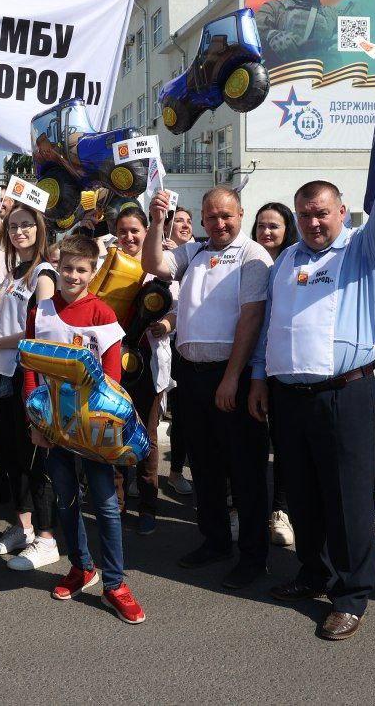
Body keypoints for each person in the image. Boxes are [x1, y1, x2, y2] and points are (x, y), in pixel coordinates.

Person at [248, 104, 375, 642]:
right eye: (305, 214)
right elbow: (274, 324)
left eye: (322, 212)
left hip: (346, 392)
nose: (314, 222)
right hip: (288, 393)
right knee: (302, 492)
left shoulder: (366, 249)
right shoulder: (285, 260)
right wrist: (258, 378)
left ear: (343, 212)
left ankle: (352, 592)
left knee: (346, 495)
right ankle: (314, 572)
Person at [141, 185, 273, 591]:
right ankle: (215, 541)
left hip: (229, 375)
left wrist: (233, 377)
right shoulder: (194, 251)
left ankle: (253, 556)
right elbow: (155, 263)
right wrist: (157, 220)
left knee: (245, 471)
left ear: (240, 215)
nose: (219, 224)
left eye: (226, 217)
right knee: (206, 466)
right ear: (201, 218)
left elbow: (250, 320)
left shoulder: (254, 255)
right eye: (211, 217)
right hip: (192, 375)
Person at [23, 234, 146, 623]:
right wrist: (34, 421)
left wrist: (101, 427)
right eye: (67, 268)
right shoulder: (40, 309)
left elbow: (112, 377)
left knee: (107, 504)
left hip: (92, 429)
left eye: (81, 270)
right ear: (56, 267)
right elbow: (30, 367)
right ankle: (81, 567)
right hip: (54, 425)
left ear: (92, 274)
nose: (72, 276)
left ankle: (115, 583)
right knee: (65, 498)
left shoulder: (102, 314)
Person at [0, 204, 58, 568]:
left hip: (29, 377)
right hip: (4, 376)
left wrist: (0, 343)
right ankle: (22, 526)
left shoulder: (43, 273)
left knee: (35, 456)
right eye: (13, 226)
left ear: (38, 228)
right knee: (11, 456)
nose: (18, 231)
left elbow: (40, 332)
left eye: (25, 225)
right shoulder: (11, 274)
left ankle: (46, 537)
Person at [107, 206, 169, 535]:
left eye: (135, 231)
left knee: (146, 434)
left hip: (148, 365)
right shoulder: (110, 267)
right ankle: (117, 503)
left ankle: (148, 505)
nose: (129, 237)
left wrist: (165, 324)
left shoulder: (162, 268)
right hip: (114, 363)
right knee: (116, 430)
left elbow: (178, 310)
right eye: (123, 231)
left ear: (147, 231)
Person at [251, 201, 299, 548]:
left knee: (284, 444)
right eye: (261, 225)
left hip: (283, 364)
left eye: (274, 226)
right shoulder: (250, 260)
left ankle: (280, 511)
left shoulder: (294, 262)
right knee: (252, 442)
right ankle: (246, 508)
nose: (266, 232)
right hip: (250, 362)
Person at [162, 207, 194, 497]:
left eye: (188, 221)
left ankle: (175, 472)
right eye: (178, 221)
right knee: (156, 408)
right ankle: (142, 471)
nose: (184, 225)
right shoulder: (161, 256)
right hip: (161, 342)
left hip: (186, 343)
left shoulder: (200, 253)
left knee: (183, 415)